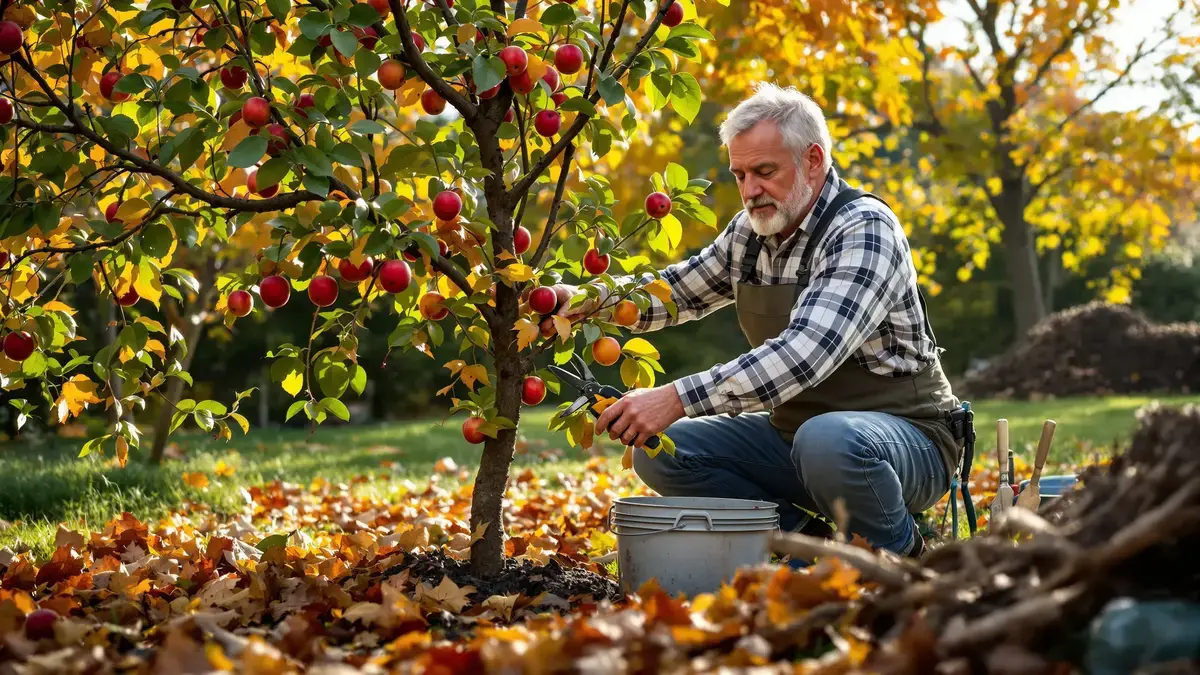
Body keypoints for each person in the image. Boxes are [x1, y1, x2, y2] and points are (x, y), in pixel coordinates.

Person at [552, 82, 963, 559]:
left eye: (764, 172)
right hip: (798, 440)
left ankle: (900, 556)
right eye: (739, 175)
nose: (749, 191)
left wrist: (676, 397)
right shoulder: (749, 235)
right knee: (660, 448)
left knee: (826, 438)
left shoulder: (863, 228)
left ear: (813, 160)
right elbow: (673, 293)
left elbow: (804, 354)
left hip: (906, 444)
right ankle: (810, 550)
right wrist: (582, 299)